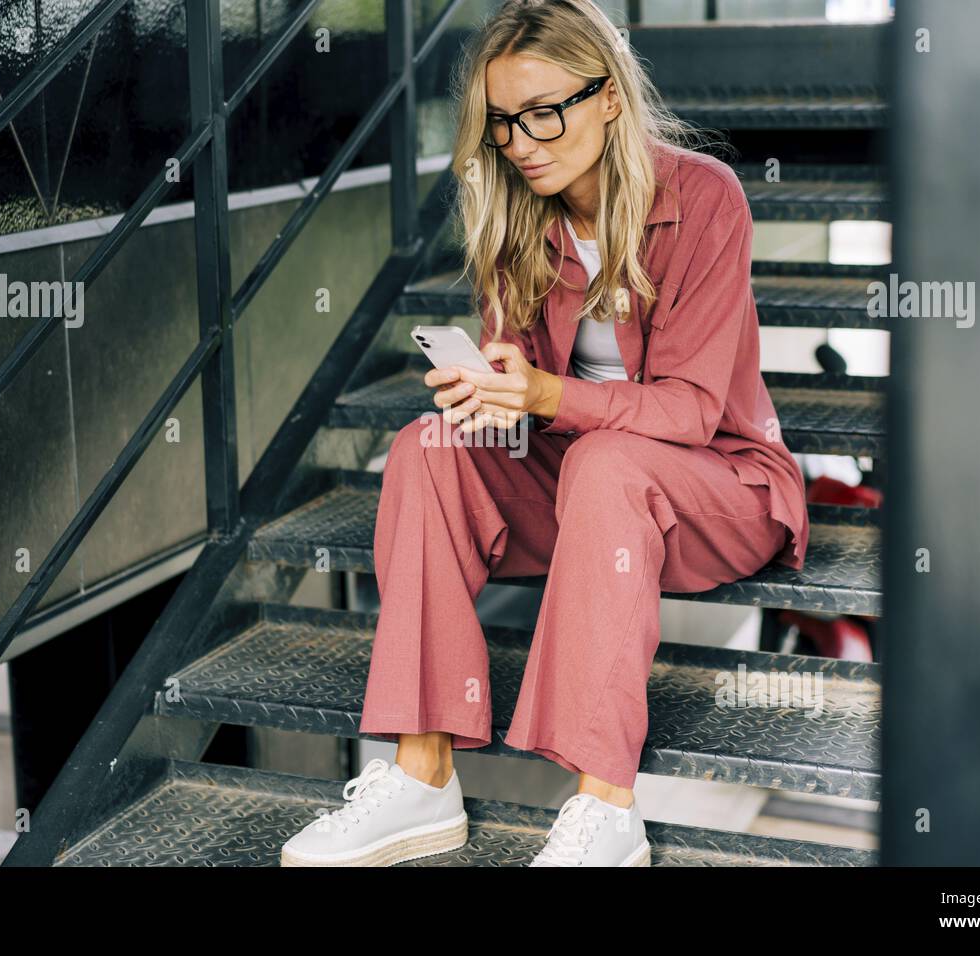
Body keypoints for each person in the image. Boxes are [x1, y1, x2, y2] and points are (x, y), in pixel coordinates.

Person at [280, 0, 809, 868]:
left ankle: (606, 806)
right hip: (581, 486)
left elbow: (687, 411)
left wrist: (544, 394)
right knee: (425, 449)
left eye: (543, 112)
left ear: (608, 96)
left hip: (719, 486)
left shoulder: (705, 199)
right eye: (501, 124)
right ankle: (421, 777)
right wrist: (490, 385)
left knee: (605, 461)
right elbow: (528, 394)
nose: (521, 142)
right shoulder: (519, 211)